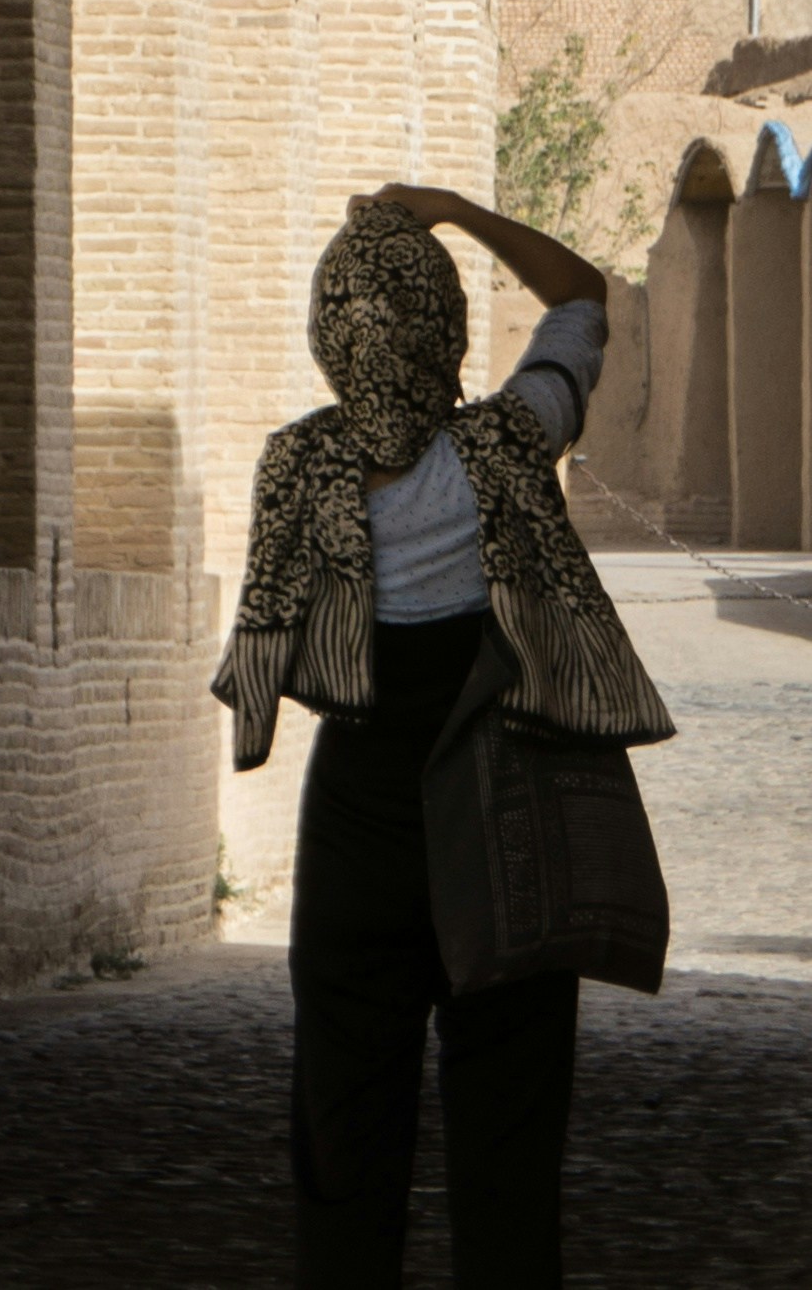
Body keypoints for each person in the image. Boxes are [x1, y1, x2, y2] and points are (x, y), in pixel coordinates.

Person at [213, 183, 672, 1289]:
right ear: (447, 330)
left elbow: (269, 661)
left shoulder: (295, 468)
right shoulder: (510, 444)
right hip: (502, 816)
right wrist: (456, 210)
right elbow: (580, 295)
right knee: (508, 1128)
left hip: (354, 828)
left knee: (344, 1131)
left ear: (325, 336)